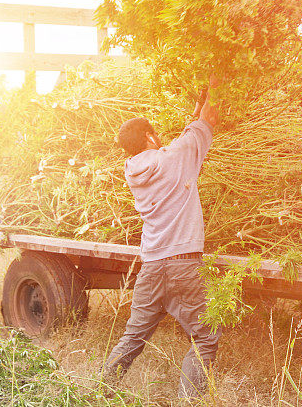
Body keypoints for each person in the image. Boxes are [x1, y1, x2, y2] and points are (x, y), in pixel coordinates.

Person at [101, 86, 221, 400]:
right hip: (183, 263)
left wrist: (196, 108)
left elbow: (181, 142)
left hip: (151, 265)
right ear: (152, 138)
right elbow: (208, 120)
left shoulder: (132, 170)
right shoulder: (177, 156)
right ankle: (187, 402)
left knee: (133, 336)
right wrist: (219, 77)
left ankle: (100, 393)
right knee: (205, 339)